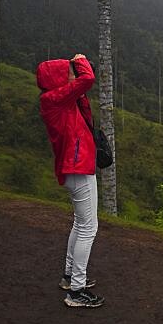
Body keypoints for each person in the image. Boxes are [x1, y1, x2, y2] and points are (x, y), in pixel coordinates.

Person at [36, 52, 104, 309]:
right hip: (77, 166)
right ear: (56, 79)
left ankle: (69, 277)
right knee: (89, 228)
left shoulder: (58, 99)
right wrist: (81, 60)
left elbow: (82, 89)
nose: (72, 76)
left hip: (75, 164)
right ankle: (76, 290)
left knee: (80, 223)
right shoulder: (55, 99)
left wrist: (78, 67)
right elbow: (87, 79)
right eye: (67, 73)